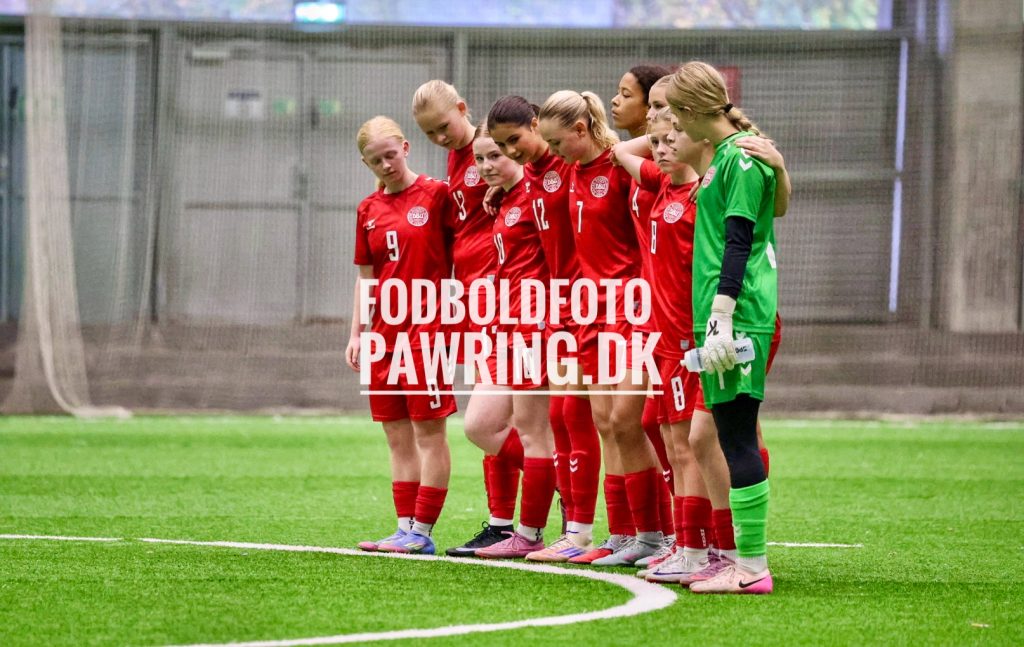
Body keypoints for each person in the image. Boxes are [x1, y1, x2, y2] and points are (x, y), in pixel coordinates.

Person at [537, 90, 664, 566]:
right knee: (608, 424)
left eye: (558, 141)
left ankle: (662, 535)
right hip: (593, 313)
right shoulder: (571, 171)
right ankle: (625, 534)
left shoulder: (619, 166)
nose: (553, 152)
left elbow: (664, 141)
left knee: (629, 421)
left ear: (580, 129)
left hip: (631, 306)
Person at [667, 61, 779, 594]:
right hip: (721, 312)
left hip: (738, 312)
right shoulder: (725, 157)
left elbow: (740, 241)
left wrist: (723, 312)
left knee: (735, 437)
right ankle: (742, 562)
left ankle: (751, 567)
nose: (673, 125)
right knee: (725, 435)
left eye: (675, 113)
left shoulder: (740, 158)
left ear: (692, 109)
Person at [486, 96, 602, 563]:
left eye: (515, 140)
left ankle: (597, 531)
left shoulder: (569, 163)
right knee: (558, 421)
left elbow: (609, 153)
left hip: (588, 306)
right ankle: (554, 530)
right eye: (501, 146)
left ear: (537, 125)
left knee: (591, 421)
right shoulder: (531, 175)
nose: (510, 152)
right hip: (555, 311)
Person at [412, 81, 523, 557]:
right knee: (496, 419)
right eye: (429, 133)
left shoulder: (490, 147)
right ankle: (501, 524)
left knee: (494, 420)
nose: (440, 138)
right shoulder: (460, 157)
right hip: (475, 297)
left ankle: (558, 483)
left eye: (443, 126)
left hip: (503, 293)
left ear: (462, 107)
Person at [347, 116, 457, 555]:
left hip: (427, 335)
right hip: (384, 339)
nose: (386, 165)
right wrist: (357, 333)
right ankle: (404, 527)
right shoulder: (367, 210)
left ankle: (423, 531)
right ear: (366, 164)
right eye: (376, 161)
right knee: (396, 437)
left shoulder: (437, 195)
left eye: (391, 155)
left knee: (429, 435)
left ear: (406, 148)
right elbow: (366, 279)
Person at [462, 124, 558, 558]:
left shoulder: (538, 192)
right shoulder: (503, 198)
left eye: (496, 154)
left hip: (534, 326)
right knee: (481, 425)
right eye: (480, 158)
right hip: (505, 326)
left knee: (531, 431)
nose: (486, 165)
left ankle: (532, 530)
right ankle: (560, 483)